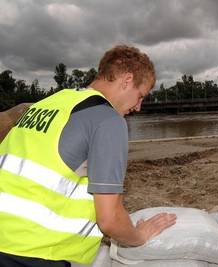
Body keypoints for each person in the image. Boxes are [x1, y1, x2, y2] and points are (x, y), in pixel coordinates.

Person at [0, 45, 176, 267]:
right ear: (127, 80)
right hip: (36, 253)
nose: (138, 107)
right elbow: (109, 220)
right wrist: (140, 234)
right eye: (140, 96)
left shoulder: (48, 104)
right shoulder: (107, 120)